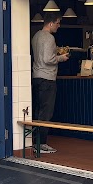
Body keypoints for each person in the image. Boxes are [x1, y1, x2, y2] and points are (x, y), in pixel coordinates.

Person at [31, 14, 69, 154]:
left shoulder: (36, 36)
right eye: (58, 23)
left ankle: (35, 141)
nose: (59, 26)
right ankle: (42, 144)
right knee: (46, 112)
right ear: (51, 23)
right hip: (47, 78)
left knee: (38, 110)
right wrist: (61, 58)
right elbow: (48, 59)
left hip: (36, 77)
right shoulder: (49, 37)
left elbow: (41, 56)